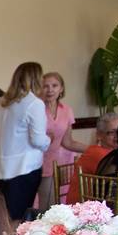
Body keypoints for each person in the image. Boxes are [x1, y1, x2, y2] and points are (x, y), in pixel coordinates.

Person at [0, 62, 51, 224]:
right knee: (20, 218)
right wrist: (48, 141)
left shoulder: (2, 102)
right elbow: (38, 139)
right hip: (24, 167)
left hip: (1, 167)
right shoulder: (34, 103)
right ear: (36, 79)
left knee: (4, 215)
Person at [38, 72, 88, 209]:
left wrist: (94, 149)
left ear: (61, 89)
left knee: (50, 206)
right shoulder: (35, 108)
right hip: (33, 164)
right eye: (45, 86)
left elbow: (68, 142)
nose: (50, 90)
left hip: (53, 164)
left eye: (54, 85)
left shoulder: (67, 110)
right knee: (32, 208)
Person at [66, 112, 118, 203]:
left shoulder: (111, 152)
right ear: (99, 135)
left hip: (97, 202)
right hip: (83, 208)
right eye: (112, 132)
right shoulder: (99, 154)